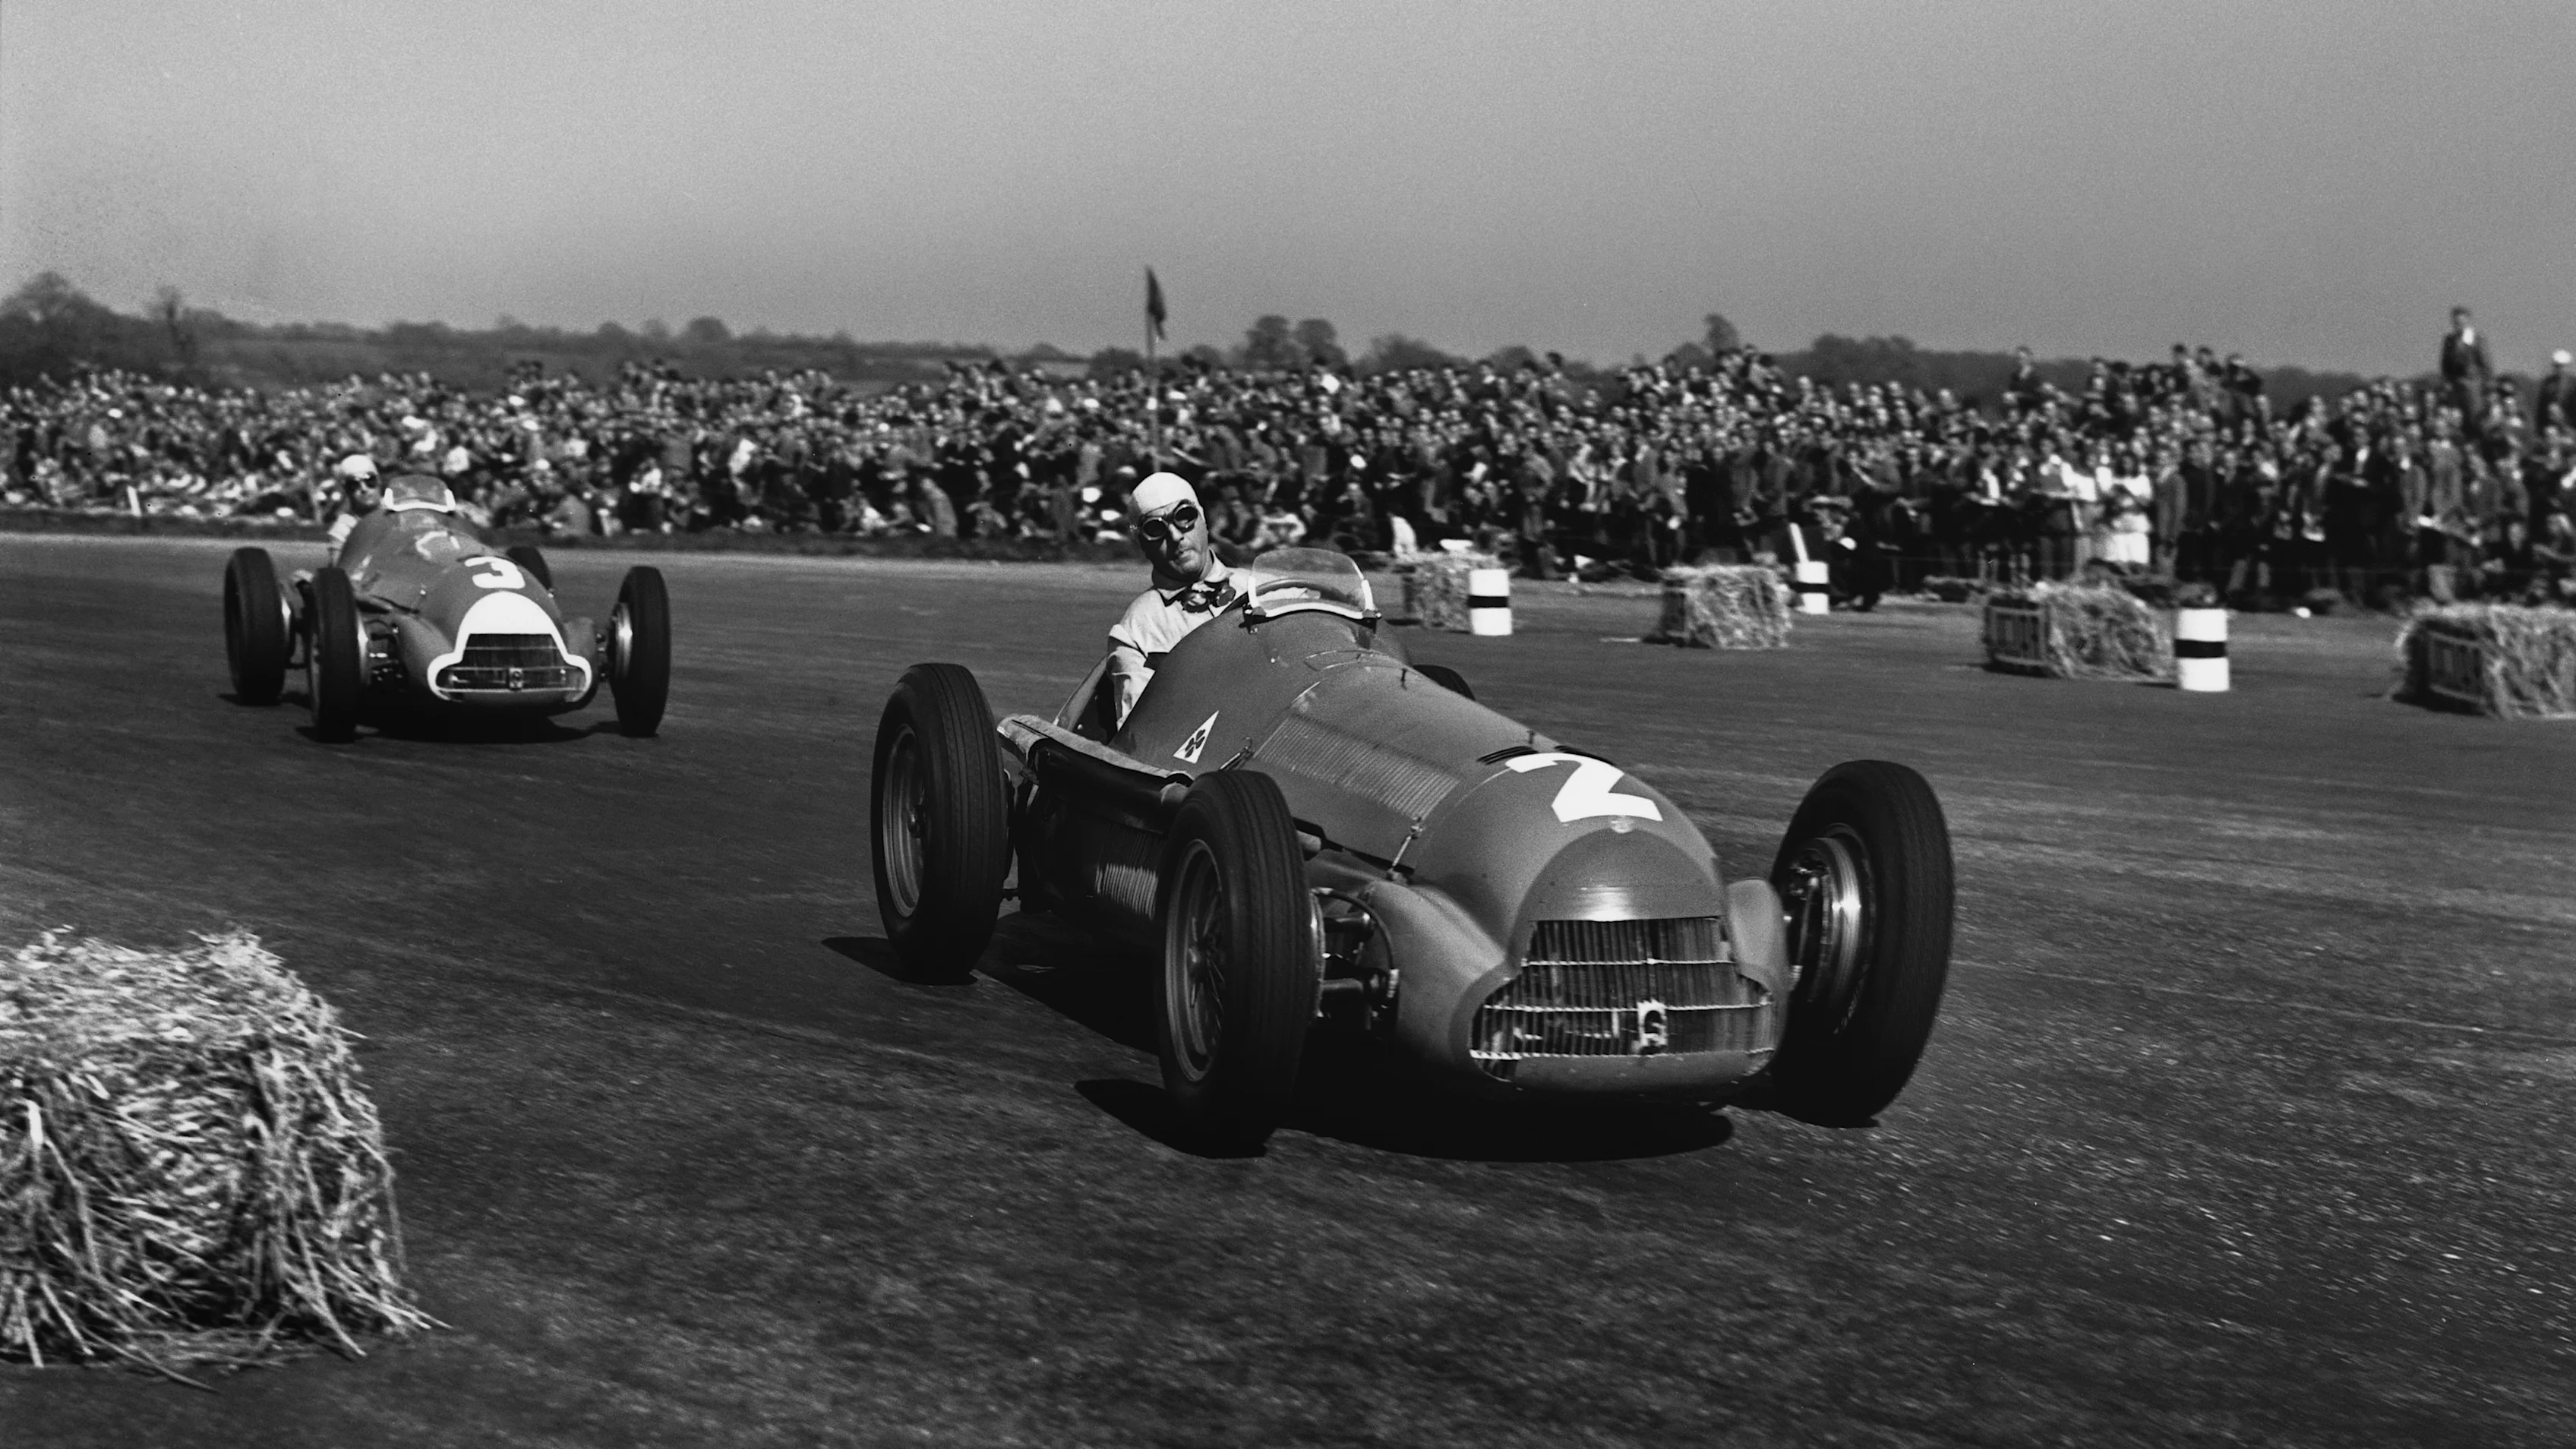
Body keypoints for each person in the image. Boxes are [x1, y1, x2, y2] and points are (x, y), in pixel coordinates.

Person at [1105, 472, 1237, 729]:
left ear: (1204, 521)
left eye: (1185, 517)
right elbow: (1142, 732)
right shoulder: (1137, 629)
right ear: (1142, 544)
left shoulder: (1262, 587)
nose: (1176, 536)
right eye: (1156, 529)